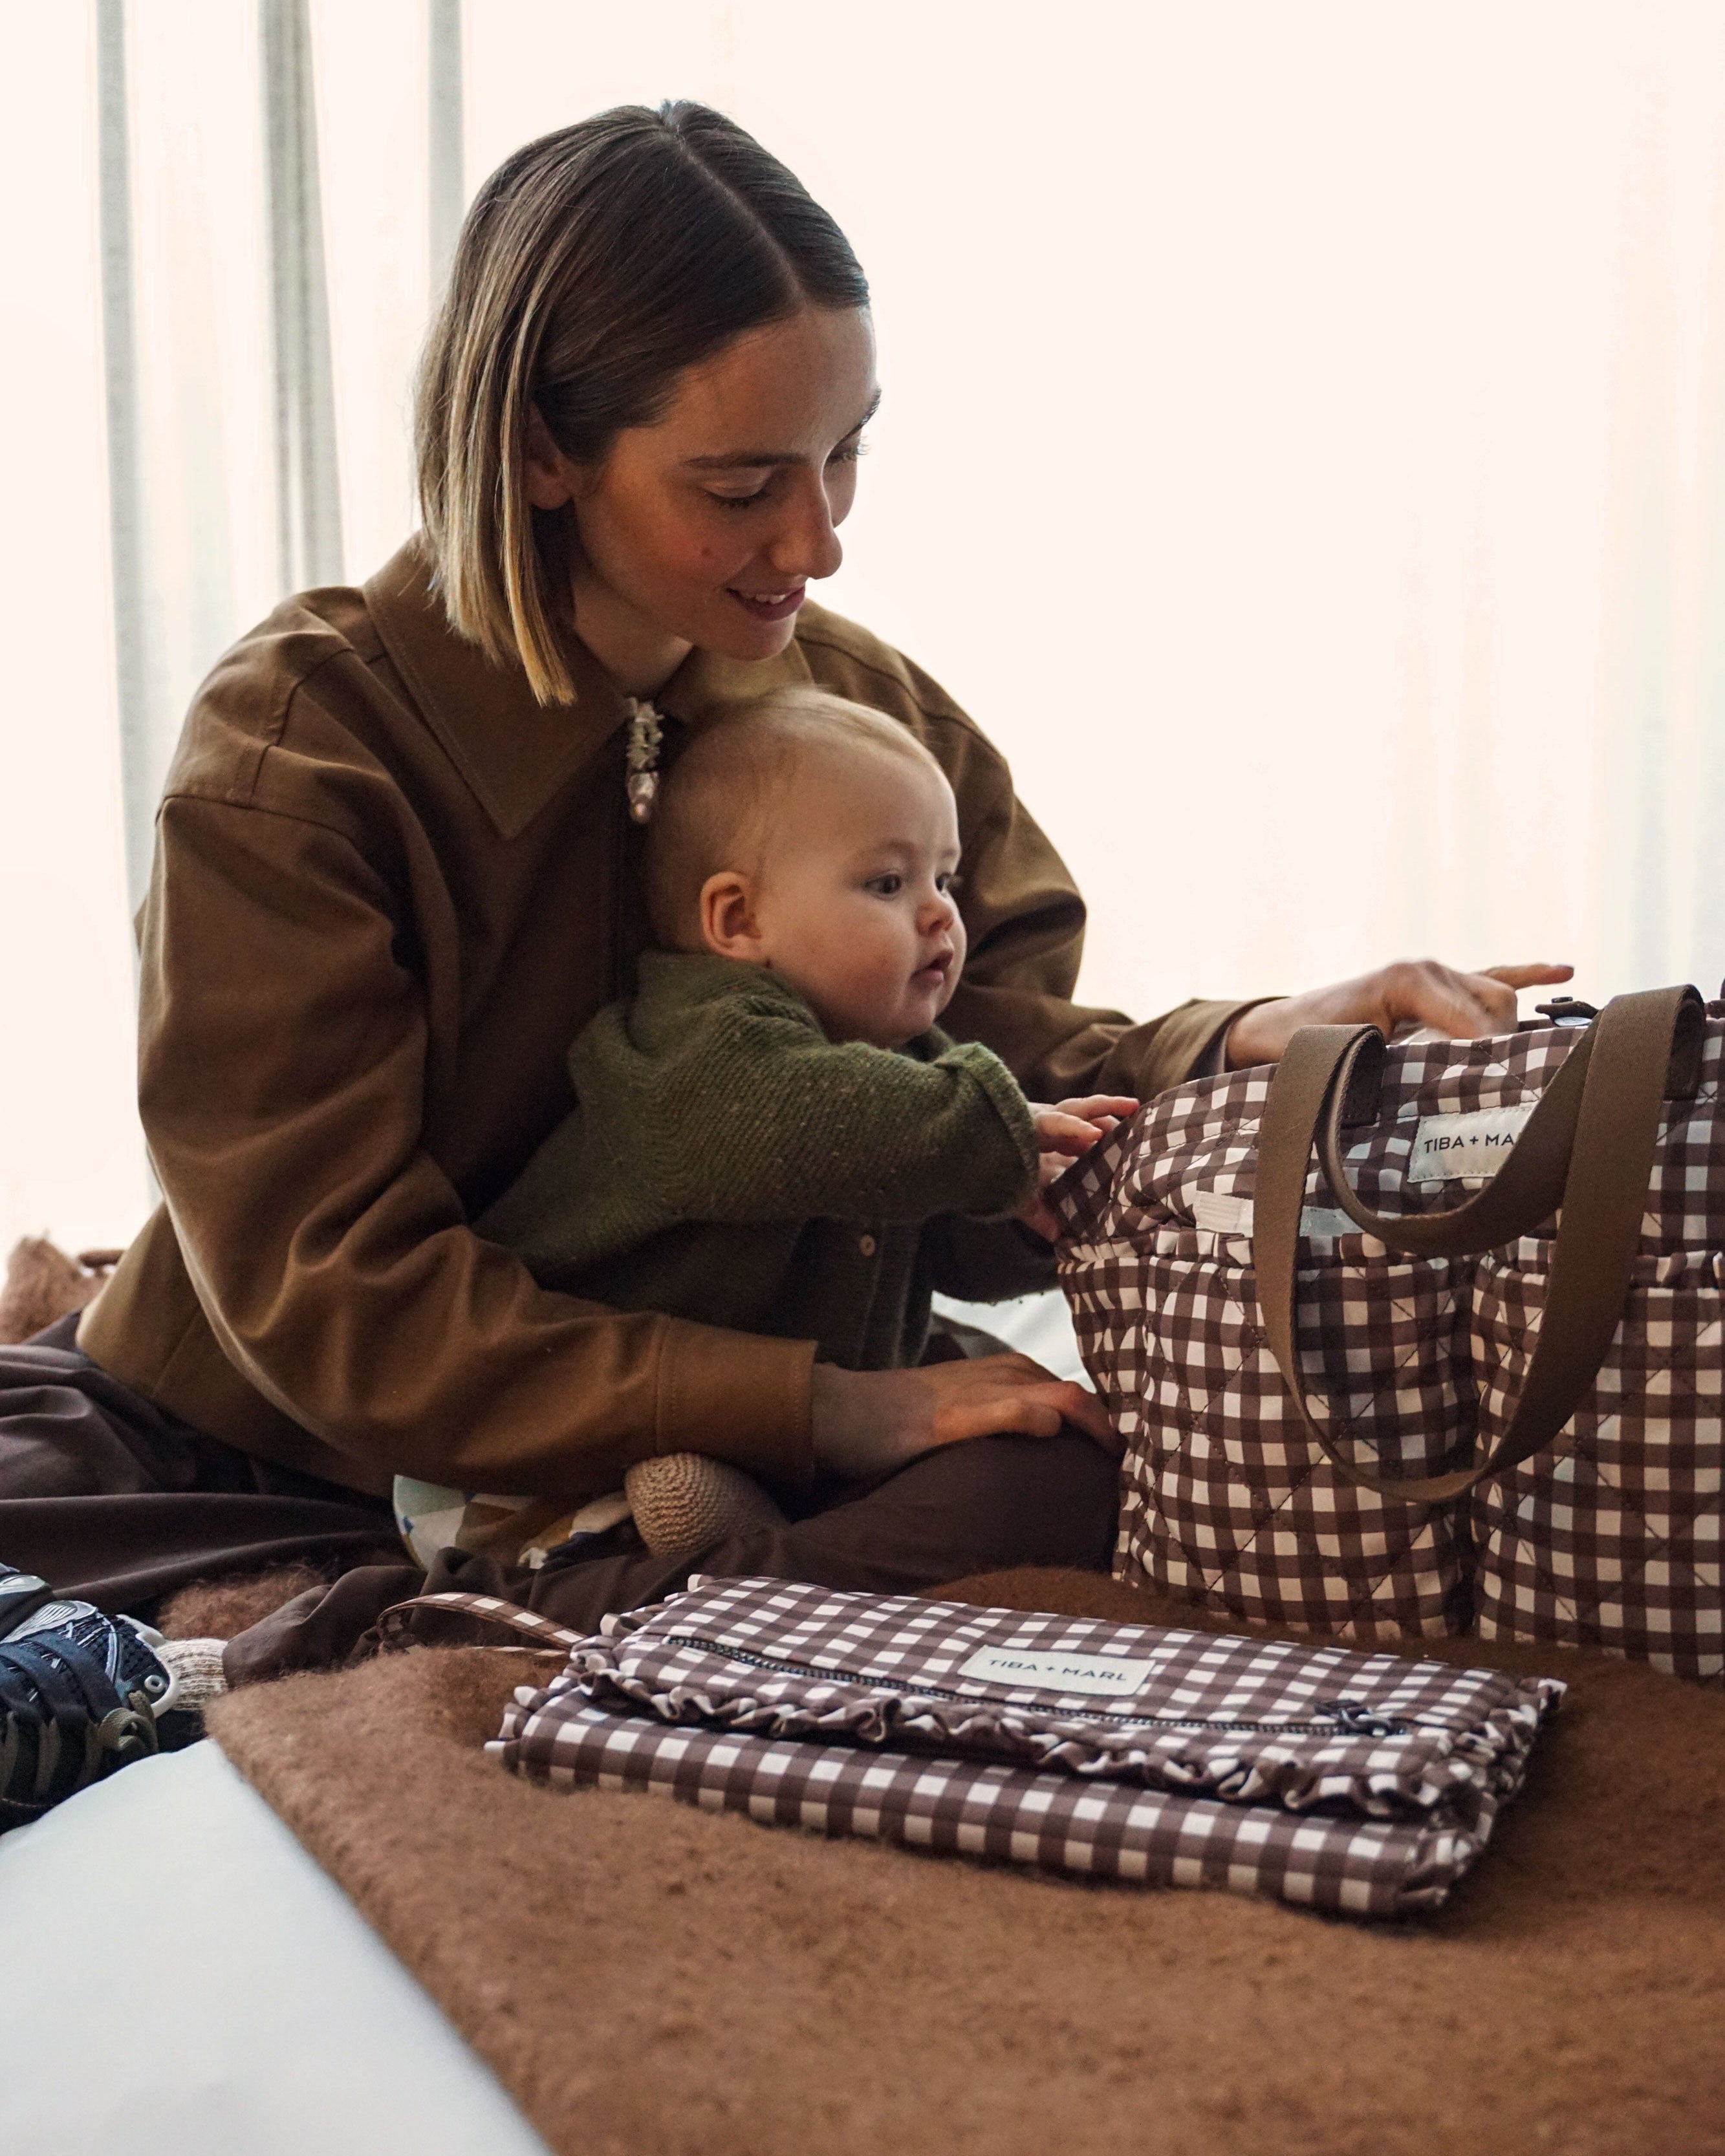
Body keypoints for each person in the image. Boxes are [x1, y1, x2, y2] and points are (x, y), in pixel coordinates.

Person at [0, 102, 1569, 1804]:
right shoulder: (305, 746)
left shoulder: (848, 703)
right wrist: (836, 1411)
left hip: (662, 1462)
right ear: (540, 449)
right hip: (254, 1453)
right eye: (743, 484)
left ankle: (585, 1616)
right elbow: (344, 1305)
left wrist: (1243, 1039)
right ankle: (462, 1622)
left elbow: (982, 1092)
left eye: (847, 457)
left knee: (1073, 1467)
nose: (817, 539)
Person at [399, 686, 1139, 1573]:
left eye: (943, 877)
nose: (942, 913)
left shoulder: (902, 1061)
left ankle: (758, 1559)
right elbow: (816, 1119)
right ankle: (657, 1574)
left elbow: (935, 1224)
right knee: (657, 1496)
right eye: (887, 882)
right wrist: (996, 1138)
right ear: (738, 920)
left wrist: (1029, 1218)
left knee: (1060, 1447)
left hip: (808, 1433)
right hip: (569, 1451)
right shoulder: (700, 1043)